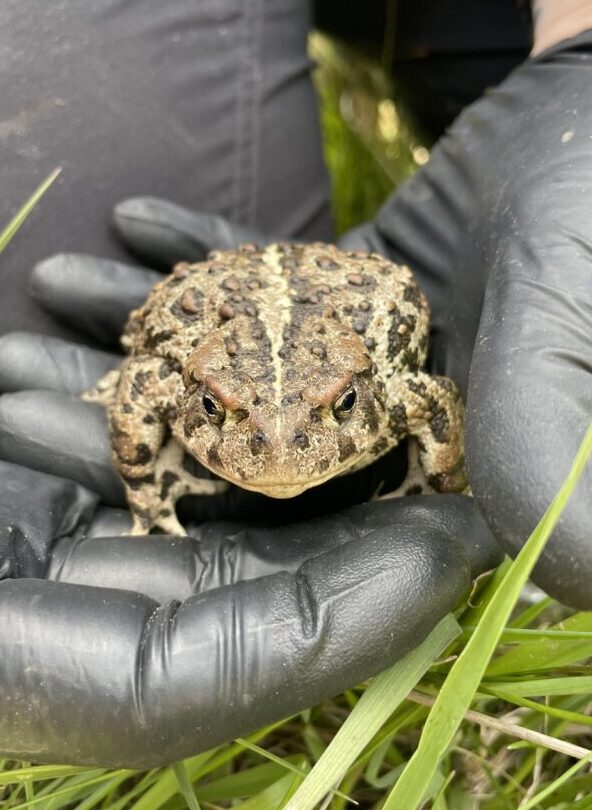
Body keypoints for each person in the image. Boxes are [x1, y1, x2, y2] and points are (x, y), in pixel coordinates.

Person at [0, 0, 590, 767]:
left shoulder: (385, 393)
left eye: (335, 410)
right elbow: (144, 384)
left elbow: (436, 400)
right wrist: (147, 490)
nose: (279, 444)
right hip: (232, 321)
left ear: (357, 395)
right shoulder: (181, 379)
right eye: (220, 413)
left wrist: (576, 49)